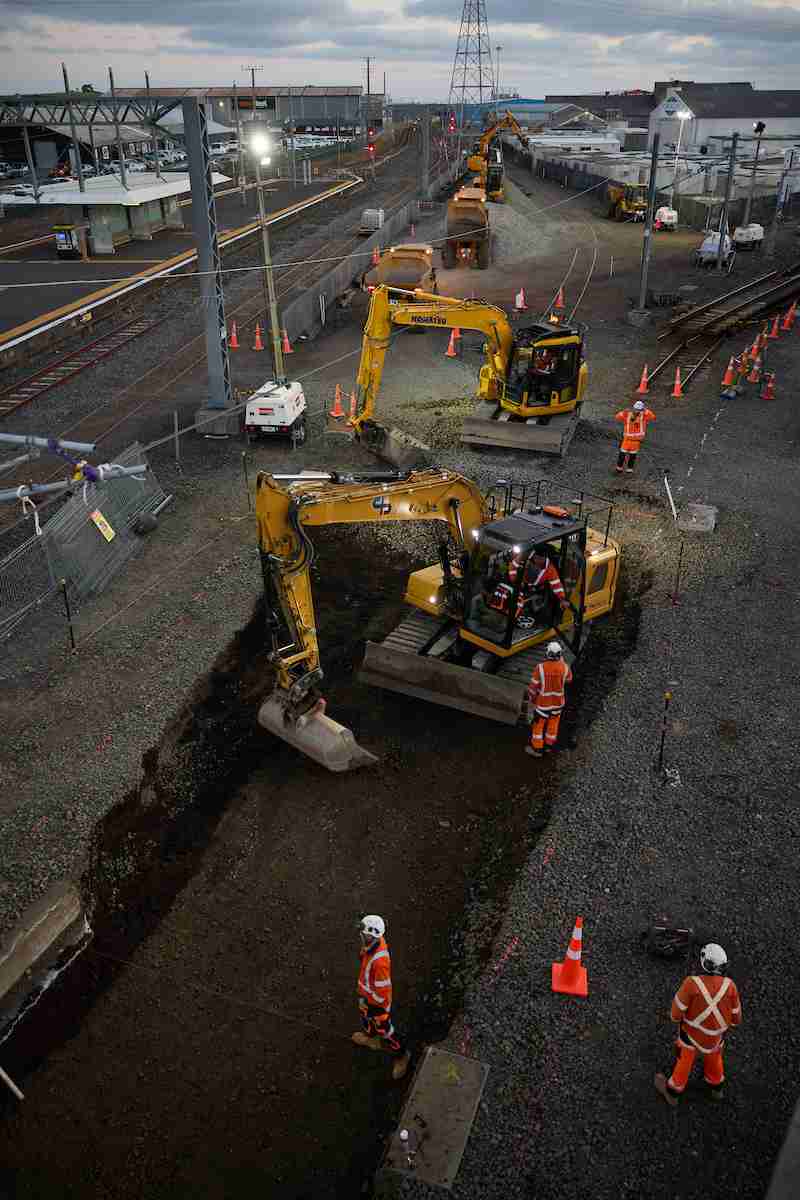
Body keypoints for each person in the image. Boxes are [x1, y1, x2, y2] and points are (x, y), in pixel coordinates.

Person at [655, 943, 742, 1106]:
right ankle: (716, 1088)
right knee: (714, 1058)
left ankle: (673, 1091)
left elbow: (675, 1014)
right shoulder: (730, 986)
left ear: (704, 963)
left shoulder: (691, 983)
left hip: (691, 1036)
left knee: (685, 1059)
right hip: (715, 1039)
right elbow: (736, 1018)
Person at [352, 914, 411, 1081]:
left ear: (371, 935)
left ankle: (401, 1055)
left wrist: (374, 1006)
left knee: (385, 1030)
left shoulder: (380, 962)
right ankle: (372, 1040)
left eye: (363, 933)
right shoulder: (370, 946)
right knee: (366, 1019)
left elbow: (383, 992)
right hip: (366, 997)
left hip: (377, 1004)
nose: (360, 936)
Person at [526, 642, 572, 757]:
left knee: (538, 726)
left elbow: (533, 687)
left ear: (547, 653)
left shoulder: (540, 668)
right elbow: (569, 680)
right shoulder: (565, 667)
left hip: (543, 704)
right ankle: (548, 746)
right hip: (558, 703)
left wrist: (532, 699)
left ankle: (537, 749)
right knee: (553, 724)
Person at [615, 399, 656, 474]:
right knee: (622, 455)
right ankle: (619, 468)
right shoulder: (627, 414)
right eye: (636, 409)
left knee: (632, 456)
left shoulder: (644, 416)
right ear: (633, 408)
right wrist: (624, 412)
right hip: (627, 440)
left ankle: (629, 469)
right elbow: (617, 417)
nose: (637, 411)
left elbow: (653, 417)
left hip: (636, 441)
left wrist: (645, 410)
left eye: (639, 410)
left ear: (642, 410)